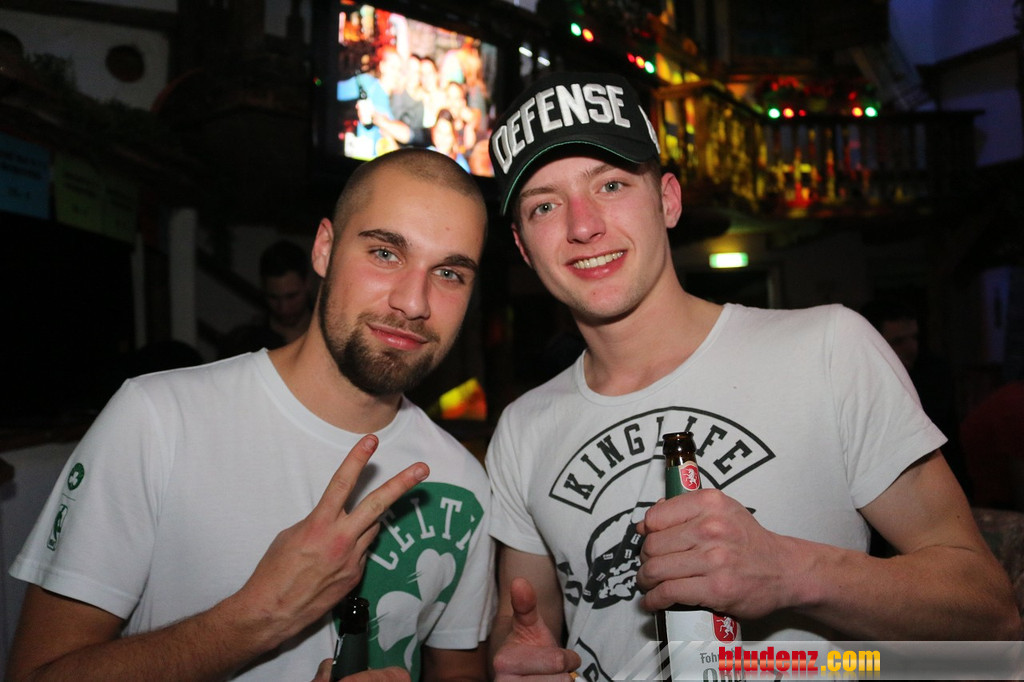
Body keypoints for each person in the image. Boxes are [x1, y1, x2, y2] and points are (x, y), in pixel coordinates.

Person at [483, 71, 1021, 681]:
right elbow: (521, 626)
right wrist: (518, 663)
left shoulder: (828, 349)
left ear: (667, 200)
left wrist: (789, 570)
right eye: (545, 205)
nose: (582, 225)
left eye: (610, 184)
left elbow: (991, 614)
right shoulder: (522, 429)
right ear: (523, 247)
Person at [6, 148, 495, 682]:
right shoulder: (158, 421)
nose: (415, 302)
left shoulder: (462, 481)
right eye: (385, 253)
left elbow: (458, 672)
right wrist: (260, 616)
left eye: (449, 272)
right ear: (325, 249)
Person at [858, 297, 972, 498]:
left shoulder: (932, 373)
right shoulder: (859, 381)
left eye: (914, 338)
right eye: (898, 342)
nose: (911, 348)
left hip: (939, 485)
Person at [220, 239, 316, 358]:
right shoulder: (245, 343)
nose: (283, 307)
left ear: (308, 283)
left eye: (291, 296)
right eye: (273, 297)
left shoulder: (328, 335)